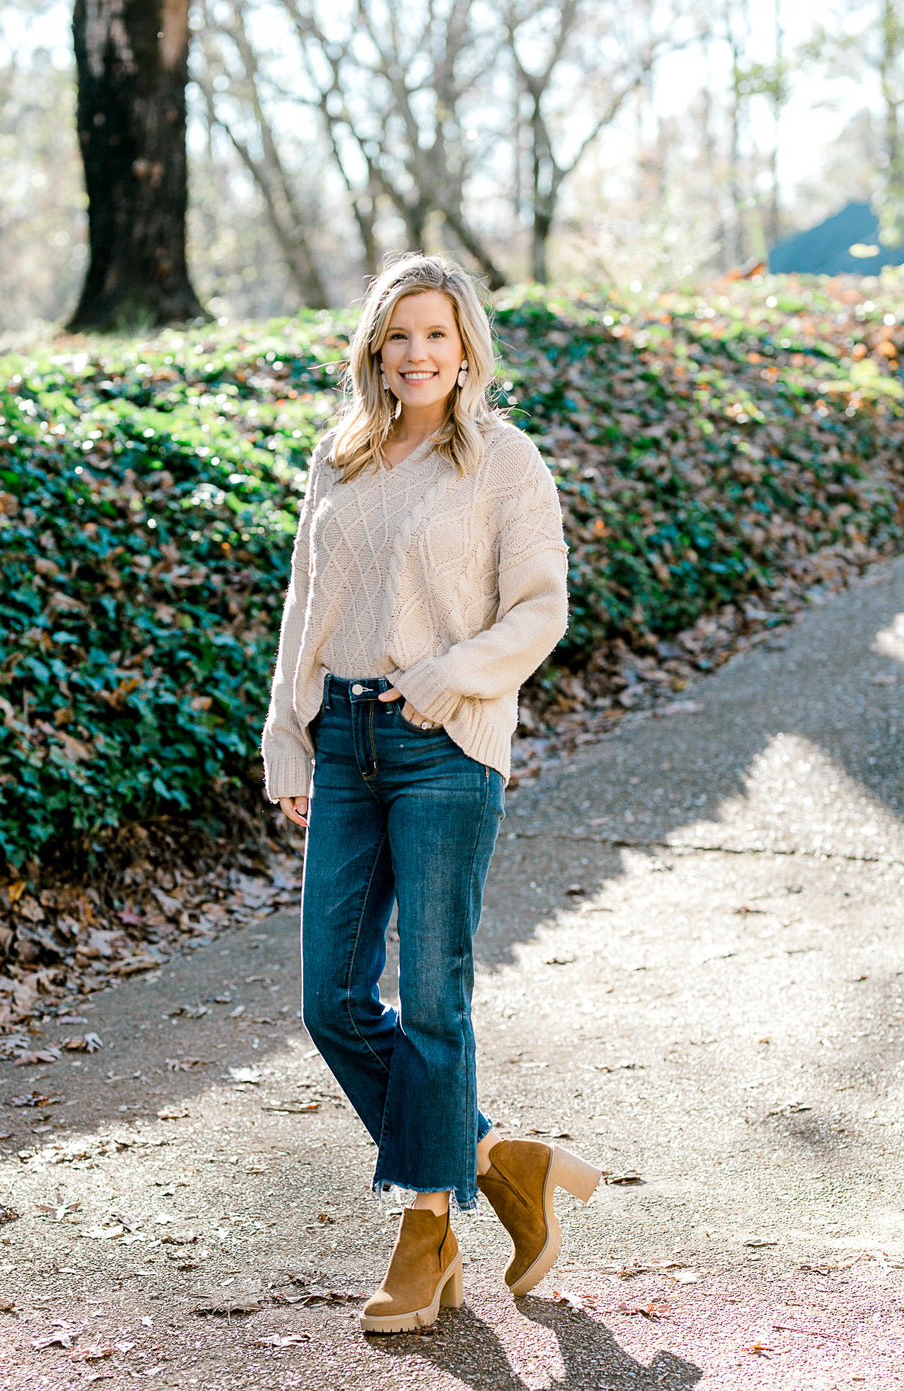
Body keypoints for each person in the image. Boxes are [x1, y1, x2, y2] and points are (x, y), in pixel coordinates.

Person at [261, 253, 600, 1335]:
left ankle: (426, 1230)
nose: (416, 354)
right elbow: (305, 601)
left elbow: (539, 609)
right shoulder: (343, 454)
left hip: (445, 742)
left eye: (436, 336)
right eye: (398, 335)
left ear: (466, 351)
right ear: (375, 347)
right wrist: (289, 730)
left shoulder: (503, 460)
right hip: (346, 742)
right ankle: (499, 1161)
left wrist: (454, 677)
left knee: (437, 999)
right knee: (331, 1001)